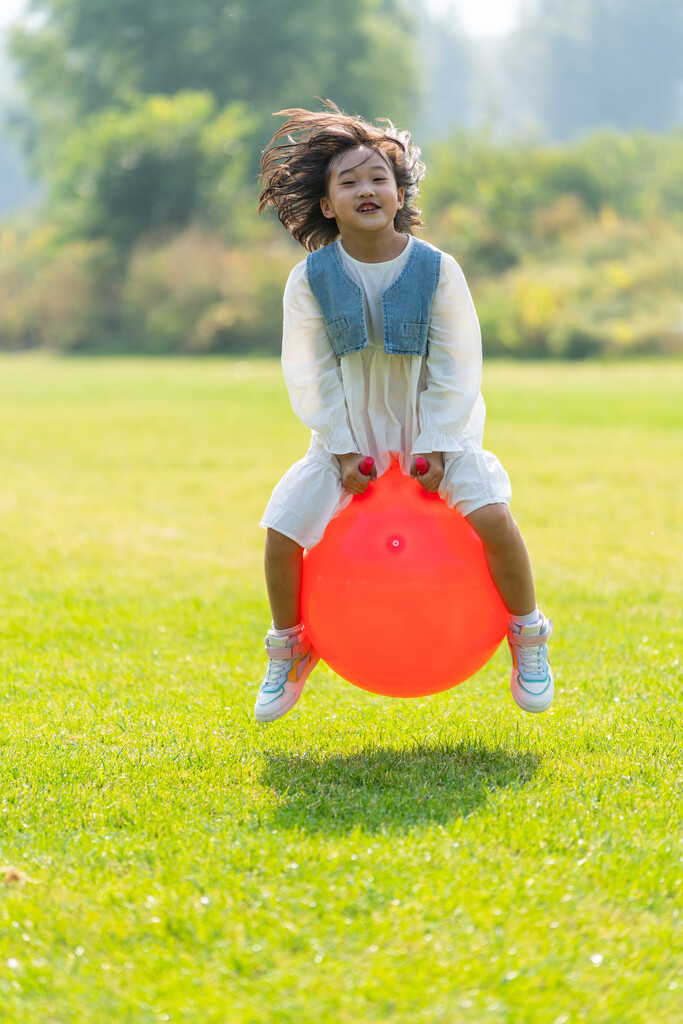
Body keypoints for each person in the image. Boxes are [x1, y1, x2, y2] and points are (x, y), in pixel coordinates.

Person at [255, 104, 553, 723]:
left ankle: (527, 633)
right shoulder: (309, 279)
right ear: (328, 204)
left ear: (398, 192)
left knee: (495, 520)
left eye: (378, 177)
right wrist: (339, 448)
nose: (367, 188)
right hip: (348, 437)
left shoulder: (438, 269)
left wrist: (441, 444)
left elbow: (457, 364)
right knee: (282, 535)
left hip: (436, 434)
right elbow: (308, 372)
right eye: (349, 181)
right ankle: (290, 645)